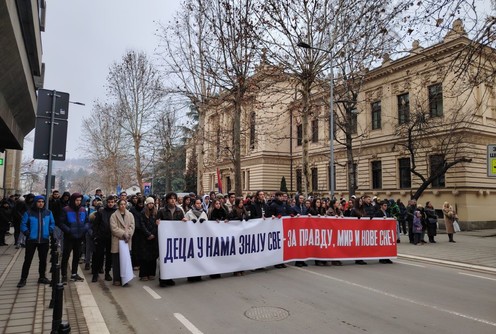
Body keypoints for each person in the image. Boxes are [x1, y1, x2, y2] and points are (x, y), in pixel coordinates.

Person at [17, 195, 55, 288]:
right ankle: (23, 278)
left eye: (42, 202)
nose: (41, 203)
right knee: (28, 260)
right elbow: (23, 224)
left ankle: (42, 277)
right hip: (31, 240)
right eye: (39, 202)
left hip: (44, 240)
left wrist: (49, 230)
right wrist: (27, 233)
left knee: (43, 260)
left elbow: (52, 223)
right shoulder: (28, 213)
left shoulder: (48, 213)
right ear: (35, 202)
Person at [156, 192, 187, 286]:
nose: (173, 200)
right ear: (167, 200)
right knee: (164, 258)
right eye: (171, 198)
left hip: (175, 238)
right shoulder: (161, 211)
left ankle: (170, 277)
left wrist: (184, 221)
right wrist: (157, 223)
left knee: (172, 258)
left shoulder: (179, 210)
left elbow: (183, 222)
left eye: (174, 198)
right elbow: (157, 223)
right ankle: (163, 279)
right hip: (165, 238)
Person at [59, 193, 88, 283]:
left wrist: (85, 228)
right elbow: (61, 223)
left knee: (76, 256)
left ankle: (74, 274)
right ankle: (64, 275)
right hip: (69, 237)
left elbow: (87, 221)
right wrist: (68, 230)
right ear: (72, 200)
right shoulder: (66, 210)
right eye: (76, 200)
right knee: (66, 256)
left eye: (80, 200)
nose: (78, 202)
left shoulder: (83, 210)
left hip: (79, 236)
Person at [110, 199, 135, 286]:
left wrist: (128, 235)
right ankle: (116, 279)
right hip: (117, 240)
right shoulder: (113, 216)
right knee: (117, 261)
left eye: (124, 204)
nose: (123, 206)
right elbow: (114, 228)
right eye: (121, 204)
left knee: (126, 260)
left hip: (126, 240)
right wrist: (123, 234)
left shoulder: (130, 215)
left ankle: (125, 278)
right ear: (118, 205)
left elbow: (132, 226)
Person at [91, 195, 117, 282]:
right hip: (101, 237)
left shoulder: (116, 212)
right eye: (109, 202)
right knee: (98, 256)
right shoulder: (101, 212)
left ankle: (107, 273)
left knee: (109, 257)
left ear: (114, 203)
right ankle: (95, 274)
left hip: (111, 237)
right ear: (107, 203)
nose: (110, 204)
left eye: (112, 202)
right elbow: (95, 225)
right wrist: (95, 235)